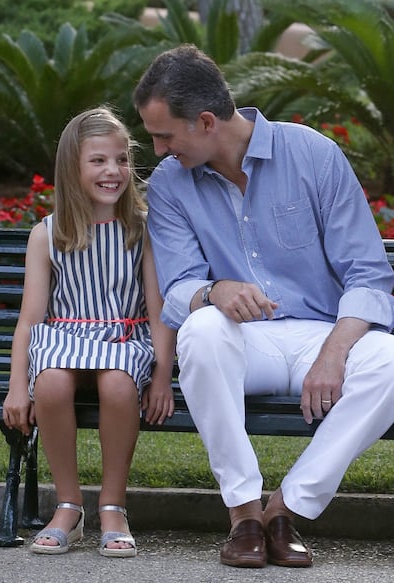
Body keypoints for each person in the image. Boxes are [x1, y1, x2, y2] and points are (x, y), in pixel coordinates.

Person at [133, 44, 394, 569]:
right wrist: (215, 291)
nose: (158, 150)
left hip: (320, 333)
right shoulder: (168, 185)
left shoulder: (314, 155)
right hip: (240, 341)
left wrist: (336, 351)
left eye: (164, 135)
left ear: (206, 121)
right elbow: (178, 287)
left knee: (390, 362)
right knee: (202, 331)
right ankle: (244, 514)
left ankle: (285, 509)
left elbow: (368, 272)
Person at [2, 106, 176, 557]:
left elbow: (158, 313)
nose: (113, 171)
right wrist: (17, 385)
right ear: (72, 167)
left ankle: (113, 505)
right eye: (98, 160)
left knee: (118, 386)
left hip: (124, 338)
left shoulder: (141, 229)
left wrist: (161, 376)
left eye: (121, 159)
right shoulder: (48, 234)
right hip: (64, 337)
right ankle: (69, 506)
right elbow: (30, 320)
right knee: (53, 383)